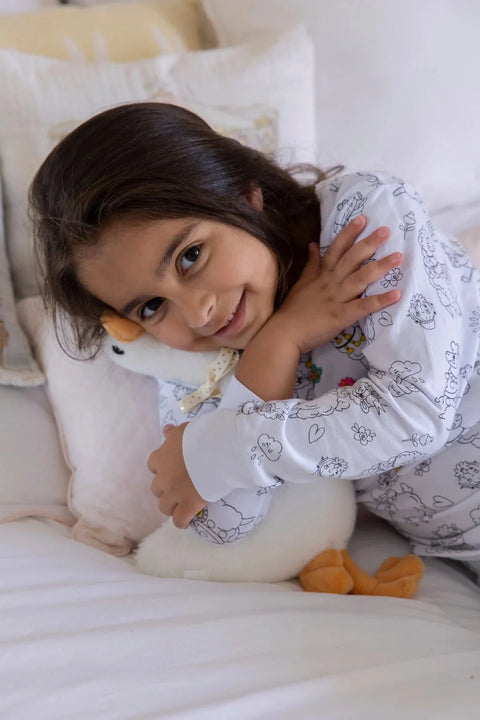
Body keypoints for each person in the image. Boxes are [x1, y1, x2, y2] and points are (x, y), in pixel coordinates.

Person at [30, 102, 480, 583]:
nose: (197, 313)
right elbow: (218, 523)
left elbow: (416, 415)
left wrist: (227, 447)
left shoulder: (361, 220)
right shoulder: (197, 368)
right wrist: (279, 344)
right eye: (150, 306)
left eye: (190, 257)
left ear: (245, 197)